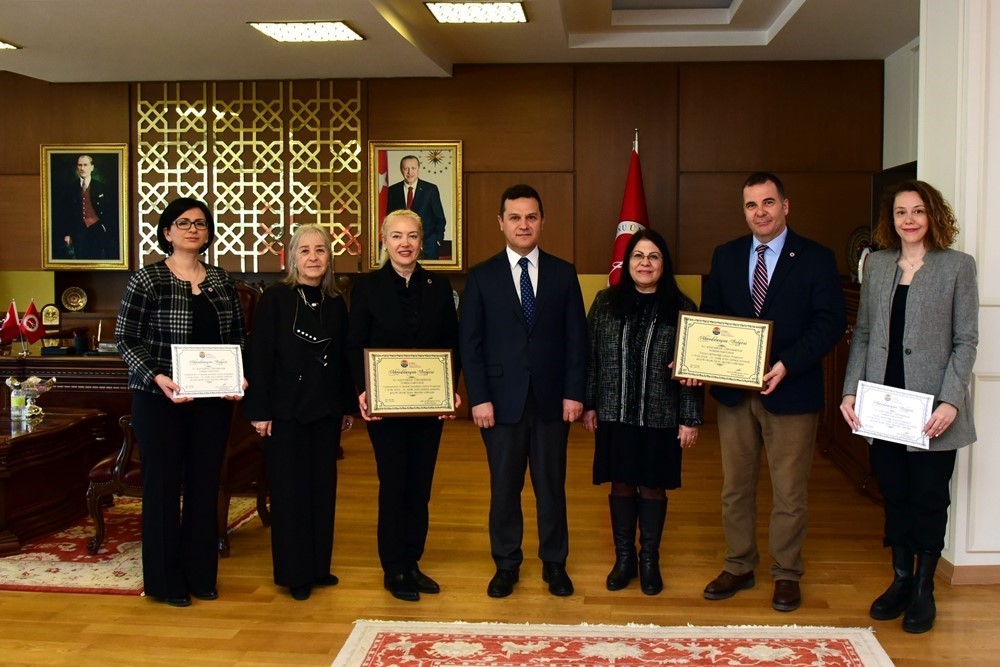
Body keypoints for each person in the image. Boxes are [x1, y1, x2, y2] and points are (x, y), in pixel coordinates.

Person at [699, 172, 846, 612]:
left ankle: (786, 572)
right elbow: (711, 320)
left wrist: (787, 365)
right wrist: (698, 358)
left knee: (789, 492)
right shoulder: (725, 256)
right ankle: (740, 564)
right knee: (735, 488)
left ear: (786, 205)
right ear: (743, 210)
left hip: (791, 390)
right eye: (751, 205)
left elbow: (830, 324)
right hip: (735, 394)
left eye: (768, 203)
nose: (759, 212)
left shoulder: (816, 258)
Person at [840, 180, 978, 634]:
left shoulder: (957, 266)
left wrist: (951, 401)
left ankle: (924, 588)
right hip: (883, 407)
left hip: (933, 411)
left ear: (933, 215)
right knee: (894, 495)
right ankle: (899, 579)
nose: (910, 220)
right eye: (901, 212)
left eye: (918, 211)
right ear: (891, 220)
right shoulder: (877, 265)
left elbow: (965, 340)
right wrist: (849, 391)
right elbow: (862, 333)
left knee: (929, 498)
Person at [116, 196, 246, 607]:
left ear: (208, 234)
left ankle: (201, 575)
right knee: (163, 488)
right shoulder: (148, 279)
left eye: (201, 224)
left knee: (205, 486)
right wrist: (158, 375)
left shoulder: (222, 280)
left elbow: (238, 337)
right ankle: (165, 582)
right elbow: (126, 339)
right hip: (160, 400)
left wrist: (238, 374)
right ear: (168, 231)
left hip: (212, 401)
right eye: (184, 222)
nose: (193, 229)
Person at [459, 184, 587, 598]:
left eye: (531, 216)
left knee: (551, 486)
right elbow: (470, 344)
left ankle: (555, 563)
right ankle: (506, 564)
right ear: (501, 223)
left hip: (552, 400)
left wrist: (574, 392)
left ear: (542, 221)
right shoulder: (480, 277)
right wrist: (478, 397)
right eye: (514, 217)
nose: (523, 224)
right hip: (498, 404)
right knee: (504, 488)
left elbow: (576, 340)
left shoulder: (564, 273)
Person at [346, 209, 461, 602]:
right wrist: (362, 389)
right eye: (397, 236)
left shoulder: (438, 286)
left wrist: (451, 390)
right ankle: (393, 568)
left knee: (420, 486)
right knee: (394, 484)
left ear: (422, 240)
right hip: (386, 405)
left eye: (412, 236)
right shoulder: (367, 286)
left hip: (429, 405)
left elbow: (452, 343)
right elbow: (355, 343)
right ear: (384, 240)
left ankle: (413, 561)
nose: (405, 243)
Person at [583, 229, 703, 596]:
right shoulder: (605, 303)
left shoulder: (683, 309)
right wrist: (589, 404)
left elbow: (693, 373)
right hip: (614, 413)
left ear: (664, 264)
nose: (645, 263)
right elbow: (591, 358)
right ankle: (624, 559)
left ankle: (649, 559)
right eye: (638, 256)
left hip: (660, 418)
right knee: (621, 482)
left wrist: (689, 418)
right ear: (627, 262)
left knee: (652, 485)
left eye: (653, 257)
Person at [243, 225, 355, 601]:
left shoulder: (336, 302)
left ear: (329, 258)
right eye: (304, 250)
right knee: (290, 494)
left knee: (322, 490)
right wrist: (259, 409)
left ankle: (318, 567)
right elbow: (259, 357)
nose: (313, 257)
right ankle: (295, 575)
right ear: (292, 258)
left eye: (320, 250)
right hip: (284, 412)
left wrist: (346, 406)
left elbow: (342, 359)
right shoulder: (275, 298)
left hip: (324, 411)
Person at [57, 154, 118, 260]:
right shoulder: (70, 189)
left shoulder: (102, 187)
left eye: (85, 165)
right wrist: (67, 233)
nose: (82, 168)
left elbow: (110, 211)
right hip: (78, 230)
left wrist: (106, 229)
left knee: (98, 259)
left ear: (92, 167)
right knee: (80, 259)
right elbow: (65, 213)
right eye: (80, 165)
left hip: (97, 228)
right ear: (77, 167)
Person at [386, 155, 447, 259]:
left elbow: (440, 219)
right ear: (401, 170)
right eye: (406, 168)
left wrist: (437, 241)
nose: (410, 172)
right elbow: (389, 219)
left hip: (428, 247)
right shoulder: (393, 191)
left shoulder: (430, 190)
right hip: (401, 248)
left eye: (413, 168)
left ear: (418, 169)